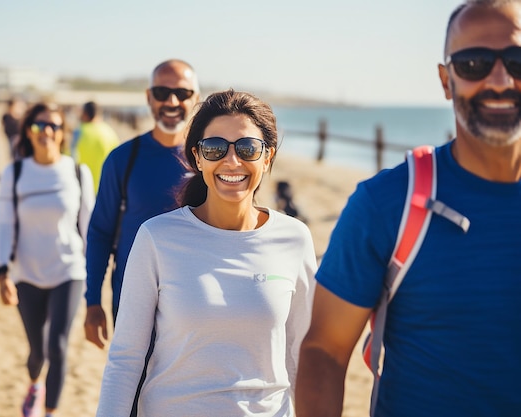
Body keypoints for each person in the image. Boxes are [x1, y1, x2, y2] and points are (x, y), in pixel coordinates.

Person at [296, 1, 521, 416]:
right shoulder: (386, 204)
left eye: (517, 60)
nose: (501, 80)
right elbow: (324, 350)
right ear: (445, 80)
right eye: (473, 63)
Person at [95, 89, 317, 417]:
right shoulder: (157, 237)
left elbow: (302, 355)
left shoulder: (294, 239)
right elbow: (126, 358)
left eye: (247, 148)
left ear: (267, 157)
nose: (231, 161)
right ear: (198, 158)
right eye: (214, 148)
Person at [84, 59, 201, 344]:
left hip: (196, 303)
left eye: (182, 93)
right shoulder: (123, 159)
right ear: (149, 98)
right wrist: (92, 301)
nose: (172, 101)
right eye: (162, 93)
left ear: (196, 99)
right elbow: (100, 232)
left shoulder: (210, 161)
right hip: (133, 300)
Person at [0, 102, 94, 417]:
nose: (46, 132)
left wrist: (96, 272)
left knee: (58, 345)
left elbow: (89, 225)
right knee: (38, 351)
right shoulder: (16, 172)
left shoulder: (78, 172)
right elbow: (5, 223)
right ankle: (35, 384)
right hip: (27, 273)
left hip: (69, 270)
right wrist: (2, 272)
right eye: (39, 125)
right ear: (28, 131)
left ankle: (49, 411)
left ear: (63, 132)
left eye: (53, 126)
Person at [72, 100, 120, 194]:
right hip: (106, 189)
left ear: (85, 114)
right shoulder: (110, 132)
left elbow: (68, 159)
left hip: (83, 189)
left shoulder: (78, 133)